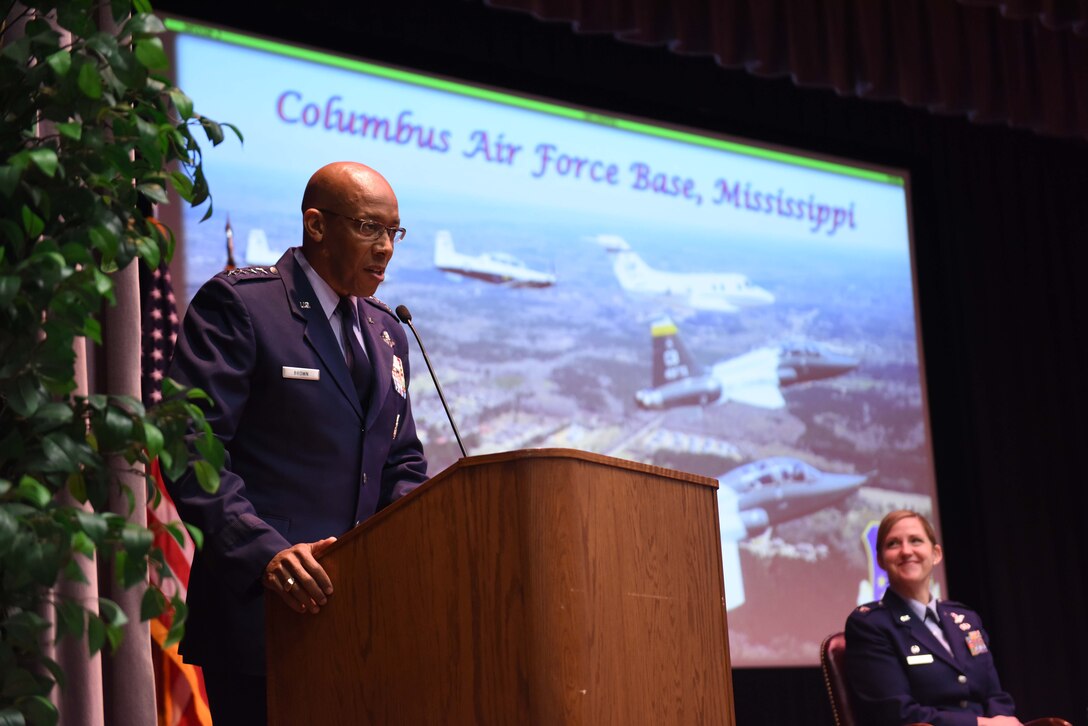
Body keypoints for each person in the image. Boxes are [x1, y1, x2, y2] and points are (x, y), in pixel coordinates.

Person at [166, 161, 429, 725]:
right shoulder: (242, 306)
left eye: (394, 232)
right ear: (316, 224)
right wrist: (267, 554)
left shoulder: (387, 331)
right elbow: (190, 445)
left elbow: (400, 461)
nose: (385, 248)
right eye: (368, 228)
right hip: (264, 616)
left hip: (362, 621)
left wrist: (430, 531)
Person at [844, 510, 1021, 726]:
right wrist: (982, 725)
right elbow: (898, 714)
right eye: (893, 544)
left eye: (916, 541)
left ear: (936, 554)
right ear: (880, 559)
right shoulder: (870, 625)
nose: (906, 551)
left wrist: (1003, 720)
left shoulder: (966, 619)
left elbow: (994, 695)